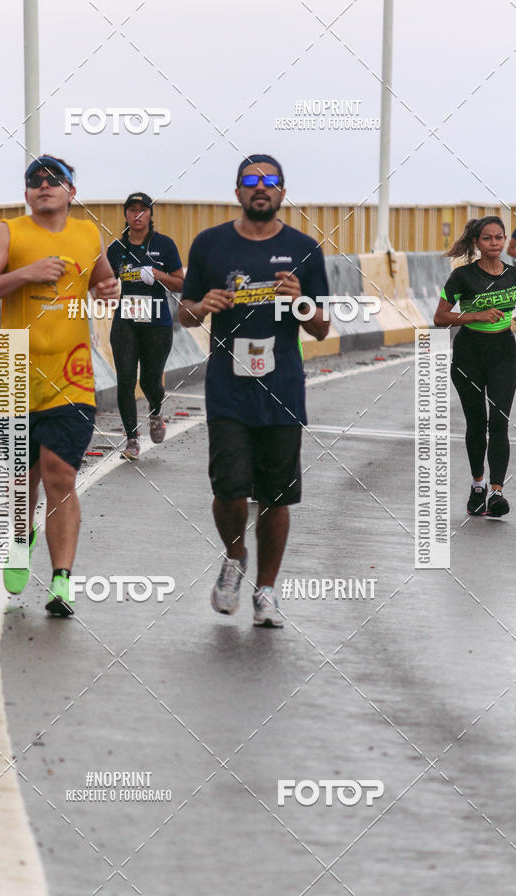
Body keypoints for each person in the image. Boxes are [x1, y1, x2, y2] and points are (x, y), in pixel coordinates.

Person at [0, 154, 119, 615]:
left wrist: (108, 291)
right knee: (19, 479)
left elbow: (103, 283)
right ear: (26, 192)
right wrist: (24, 274)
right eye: (35, 181)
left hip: (72, 373)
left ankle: (62, 581)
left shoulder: (88, 234)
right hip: (15, 368)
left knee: (59, 474)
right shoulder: (9, 233)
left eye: (54, 180)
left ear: (72, 191)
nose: (43, 186)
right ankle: (19, 537)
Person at [179, 154, 329, 627]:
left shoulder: (305, 248)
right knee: (229, 488)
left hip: (282, 385)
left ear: (283, 193)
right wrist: (203, 305)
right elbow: (183, 313)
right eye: (250, 180)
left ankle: (266, 591)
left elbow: (323, 328)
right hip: (228, 386)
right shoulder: (210, 245)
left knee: (276, 497)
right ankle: (234, 557)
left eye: (270, 181)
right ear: (238, 192)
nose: (260, 187)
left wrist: (300, 301)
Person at [434, 216, 516, 517]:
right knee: (477, 425)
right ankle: (478, 485)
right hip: (469, 354)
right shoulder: (462, 277)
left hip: (503, 353)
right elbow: (440, 317)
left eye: (500, 237)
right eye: (488, 238)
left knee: (499, 422)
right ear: (476, 242)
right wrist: (474, 315)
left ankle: (497, 493)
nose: (495, 243)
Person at [107, 193, 184, 460]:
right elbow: (103, 282)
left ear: (150, 215)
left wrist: (158, 275)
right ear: (126, 215)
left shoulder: (164, 245)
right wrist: (101, 291)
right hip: (126, 320)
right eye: (132, 210)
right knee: (125, 378)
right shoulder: (116, 248)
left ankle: (155, 410)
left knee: (150, 380)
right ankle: (131, 440)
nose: (137, 216)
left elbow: (181, 283)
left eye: (143, 210)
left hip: (157, 322)